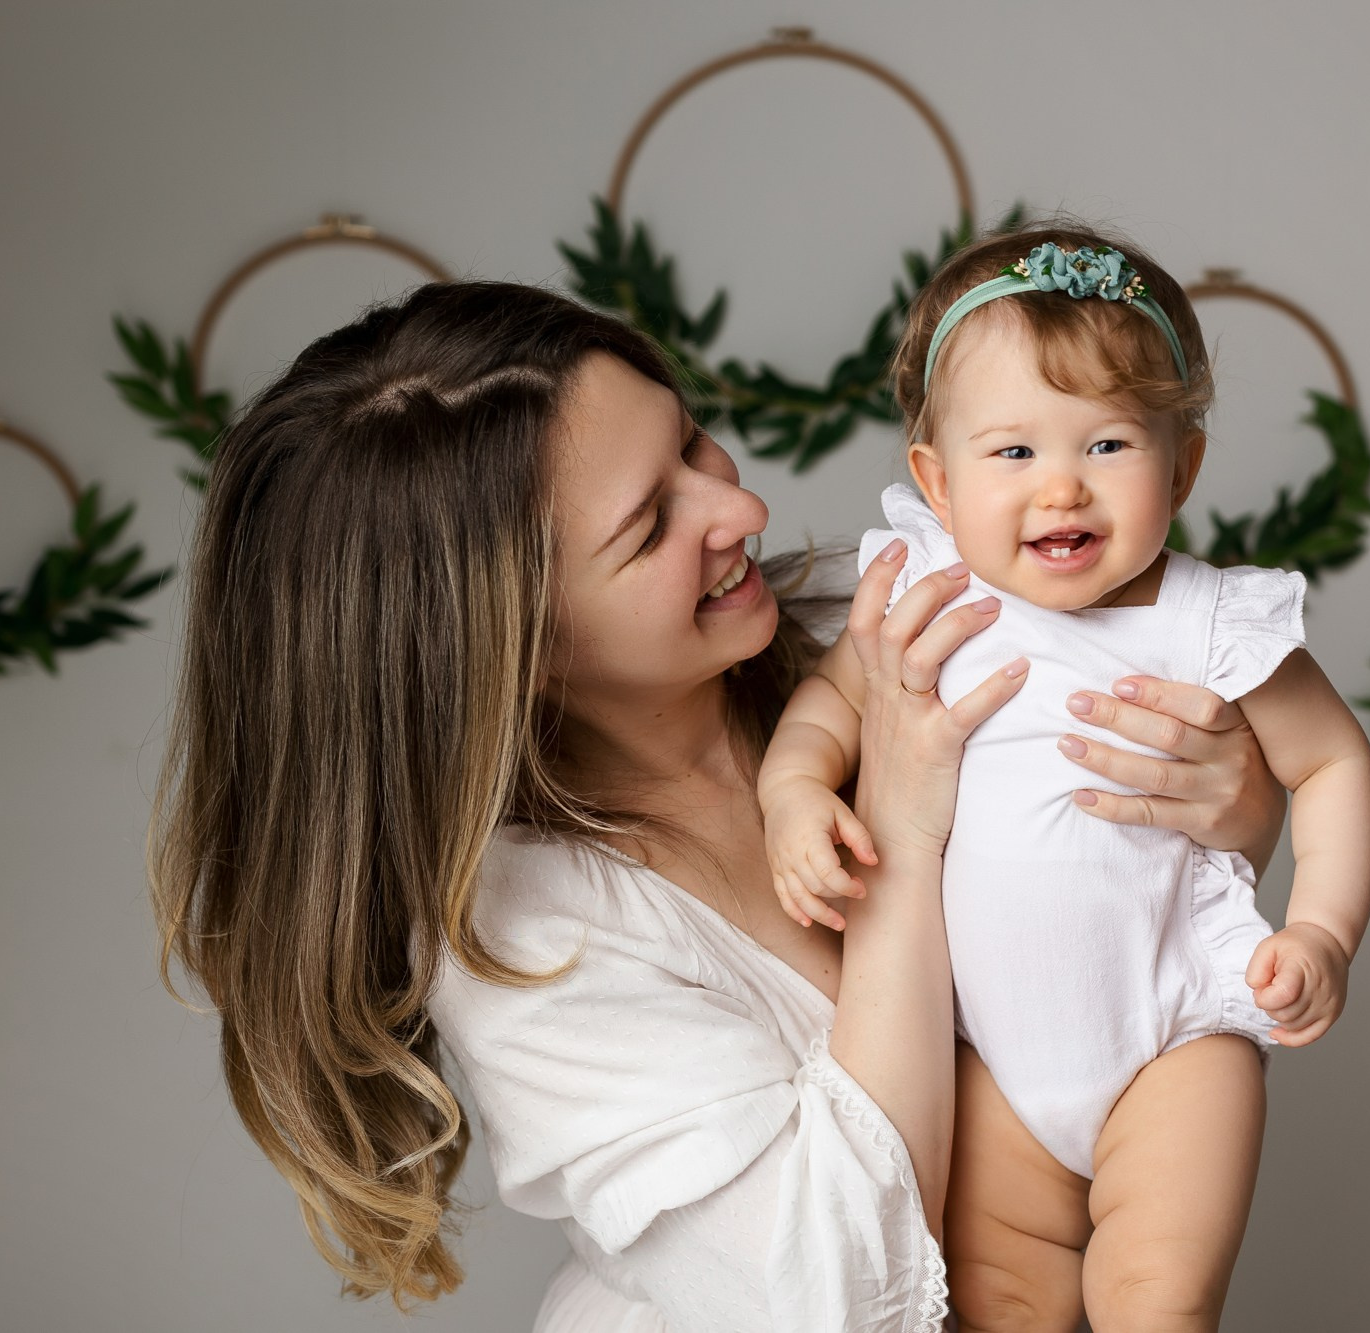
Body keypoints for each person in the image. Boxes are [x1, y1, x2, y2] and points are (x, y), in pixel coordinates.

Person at [147, 279, 1291, 1331]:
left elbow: (1135, 916)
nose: (735, 507)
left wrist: (1233, 806)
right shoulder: (524, 937)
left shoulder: (892, 615)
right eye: (649, 525)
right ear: (512, 648)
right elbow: (841, 1296)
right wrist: (899, 819)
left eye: (691, 439)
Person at [759, 226, 1370, 1331]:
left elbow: (1329, 761)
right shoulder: (925, 604)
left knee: (1154, 1298)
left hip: (1173, 1039)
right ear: (936, 482)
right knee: (999, 1308)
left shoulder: (1207, 621)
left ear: (1180, 466)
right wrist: (794, 791)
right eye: (1011, 455)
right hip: (990, 1063)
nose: (1061, 490)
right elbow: (827, 708)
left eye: (1105, 446)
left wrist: (1322, 929)